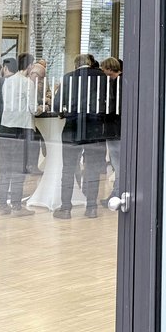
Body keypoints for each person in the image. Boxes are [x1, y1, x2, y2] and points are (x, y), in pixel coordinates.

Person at [52, 54, 109, 219]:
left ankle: (66, 208)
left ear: (76, 65)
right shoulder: (102, 77)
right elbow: (109, 101)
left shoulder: (68, 77)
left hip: (72, 127)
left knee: (68, 168)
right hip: (95, 128)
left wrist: (63, 112)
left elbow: (56, 105)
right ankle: (91, 207)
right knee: (93, 169)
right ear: (91, 63)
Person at [0, 58, 37, 216]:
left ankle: (2, 204)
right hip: (21, 128)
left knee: (4, 167)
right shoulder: (28, 83)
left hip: (5, 127)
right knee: (19, 168)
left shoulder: (5, 82)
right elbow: (33, 109)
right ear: (29, 66)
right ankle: (16, 205)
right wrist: (43, 106)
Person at [100, 57, 123, 208]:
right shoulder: (120, 82)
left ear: (109, 69)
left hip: (115, 129)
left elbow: (113, 107)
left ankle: (117, 193)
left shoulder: (118, 84)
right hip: (117, 128)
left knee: (118, 162)